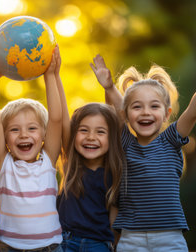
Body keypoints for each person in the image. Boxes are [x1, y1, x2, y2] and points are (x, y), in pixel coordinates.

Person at [90, 43, 196, 251]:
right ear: (126, 115)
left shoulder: (171, 140)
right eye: (137, 107)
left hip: (169, 238)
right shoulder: (125, 143)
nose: (145, 112)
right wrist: (108, 87)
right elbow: (116, 110)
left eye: (154, 106)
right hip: (131, 238)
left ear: (166, 113)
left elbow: (193, 112)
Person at [0, 46, 63, 251]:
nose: (24, 135)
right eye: (14, 130)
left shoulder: (48, 160)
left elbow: (56, 119)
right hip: (9, 247)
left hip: (50, 247)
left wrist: (50, 76)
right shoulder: (4, 164)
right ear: (5, 138)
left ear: (44, 135)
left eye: (32, 128)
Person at [55, 45, 125, 251]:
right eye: (84, 130)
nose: (91, 137)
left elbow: (122, 120)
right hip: (63, 242)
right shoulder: (71, 164)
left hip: (98, 246)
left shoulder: (112, 173)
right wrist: (55, 75)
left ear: (112, 138)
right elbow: (60, 114)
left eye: (100, 132)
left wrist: (109, 87)